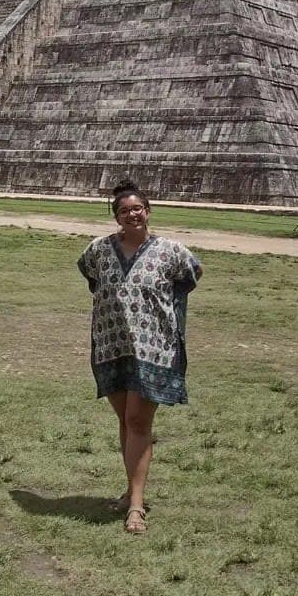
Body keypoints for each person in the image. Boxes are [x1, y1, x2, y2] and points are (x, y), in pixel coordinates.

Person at [77, 179, 202, 535]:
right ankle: (132, 489)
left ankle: (135, 507)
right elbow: (89, 274)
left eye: (137, 209)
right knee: (126, 422)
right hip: (111, 345)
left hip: (154, 349)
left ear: (148, 211)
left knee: (137, 422)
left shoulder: (170, 251)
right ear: (116, 217)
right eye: (123, 211)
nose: (131, 215)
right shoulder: (99, 250)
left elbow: (194, 273)